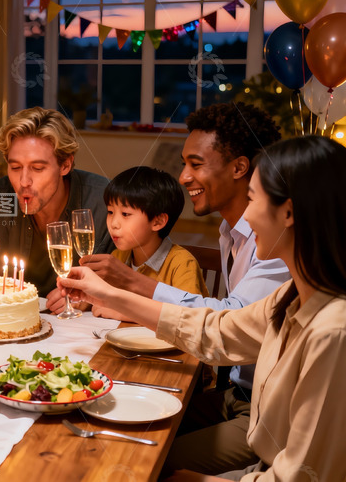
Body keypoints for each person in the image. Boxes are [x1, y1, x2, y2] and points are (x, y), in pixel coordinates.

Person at [59, 135, 346, 481]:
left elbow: (301, 475)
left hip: (260, 459)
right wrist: (108, 295)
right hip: (255, 436)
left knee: (137, 464)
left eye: (252, 198)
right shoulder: (293, 294)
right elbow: (217, 330)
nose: (246, 215)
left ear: (288, 212)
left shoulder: (332, 332)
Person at [0, 106, 113, 298]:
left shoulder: (101, 200)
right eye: (15, 167)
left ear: (65, 165)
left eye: (37, 168)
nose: (23, 182)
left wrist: (90, 297)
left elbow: (126, 277)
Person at [104, 166, 207, 309]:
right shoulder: (118, 257)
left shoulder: (182, 264)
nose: (113, 224)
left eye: (125, 214)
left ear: (158, 222)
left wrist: (126, 313)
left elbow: (187, 316)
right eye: (110, 212)